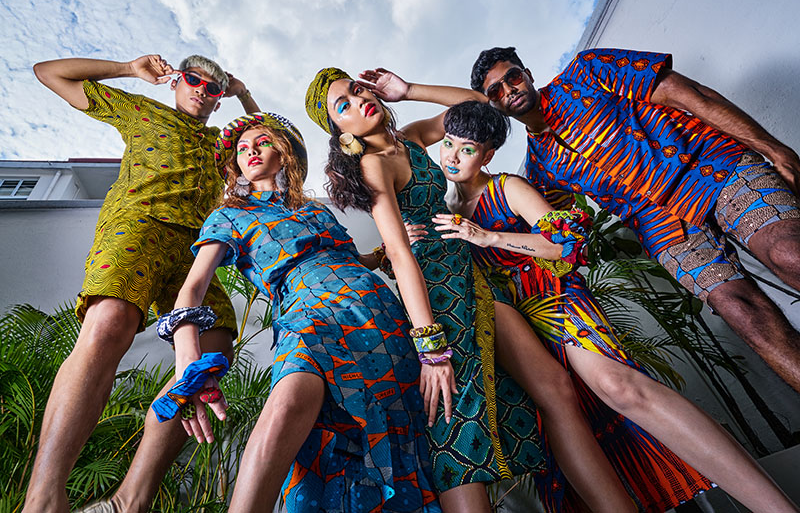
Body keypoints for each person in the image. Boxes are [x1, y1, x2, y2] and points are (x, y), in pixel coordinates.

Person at [420, 99, 798, 513]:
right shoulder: (443, 210)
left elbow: (565, 245)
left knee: (620, 387)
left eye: (468, 149)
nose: (452, 156)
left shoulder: (507, 187)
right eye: (448, 144)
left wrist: (489, 238)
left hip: (553, 300)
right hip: (511, 331)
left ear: (488, 155)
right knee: (576, 432)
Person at [305, 68, 644, 513]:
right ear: (338, 129)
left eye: (356, 89)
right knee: (457, 425)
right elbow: (401, 255)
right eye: (343, 105)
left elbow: (478, 107)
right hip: (436, 296)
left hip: (472, 272)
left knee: (556, 389)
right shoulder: (372, 164)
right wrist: (430, 348)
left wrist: (408, 91)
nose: (359, 100)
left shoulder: (410, 138)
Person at [470, 46, 800, 393]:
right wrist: (489, 237)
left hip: (711, 168)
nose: (509, 90)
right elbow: (558, 233)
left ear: (528, 74)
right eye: (496, 91)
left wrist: (774, 149)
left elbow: (690, 95)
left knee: (788, 254)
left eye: (513, 77)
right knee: (741, 313)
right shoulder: (540, 167)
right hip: (660, 228)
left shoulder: (587, 71)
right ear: (493, 104)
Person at [157, 111, 441, 512]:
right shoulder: (229, 215)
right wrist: (188, 366)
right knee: (287, 406)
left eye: (262, 143)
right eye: (242, 149)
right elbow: (192, 289)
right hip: (305, 310)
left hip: (376, 311)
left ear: (284, 152)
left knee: (398, 424)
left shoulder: (316, 210)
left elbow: (348, 259)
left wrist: (384, 252)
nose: (251, 152)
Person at [26, 53, 258, 513]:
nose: (202, 90)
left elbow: (271, 140)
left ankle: (130, 500)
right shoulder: (141, 110)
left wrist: (244, 94)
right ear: (176, 81)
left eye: (213, 88)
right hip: (138, 224)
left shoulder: (223, 142)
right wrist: (130, 70)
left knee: (214, 350)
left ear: (219, 99)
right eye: (193, 80)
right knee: (109, 324)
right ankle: (43, 497)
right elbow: (48, 73)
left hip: (195, 249)